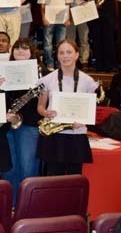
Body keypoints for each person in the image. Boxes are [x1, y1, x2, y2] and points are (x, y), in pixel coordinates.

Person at [36, 39, 97, 175]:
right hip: (54, 135)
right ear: (57, 56)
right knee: (53, 178)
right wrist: (45, 113)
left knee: (74, 178)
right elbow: (40, 106)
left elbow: (91, 110)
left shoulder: (88, 81)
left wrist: (84, 120)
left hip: (77, 135)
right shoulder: (47, 79)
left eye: (69, 52)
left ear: (76, 55)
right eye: (61, 53)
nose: (65, 56)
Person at [1, 38, 44, 200]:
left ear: (31, 52)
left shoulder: (41, 74)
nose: (20, 51)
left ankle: (29, 204)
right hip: (7, 125)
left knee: (28, 166)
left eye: (25, 48)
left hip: (29, 125)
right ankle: (11, 205)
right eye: (17, 48)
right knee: (9, 168)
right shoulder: (3, 72)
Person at [77, 0, 121, 72]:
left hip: (108, 18)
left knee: (109, 41)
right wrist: (89, 4)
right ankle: (99, 66)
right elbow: (78, 1)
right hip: (94, 18)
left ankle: (111, 65)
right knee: (97, 41)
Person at [38, 0, 72, 70]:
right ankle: (50, 64)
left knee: (61, 43)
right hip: (49, 19)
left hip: (62, 20)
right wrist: (43, 17)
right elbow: (42, 5)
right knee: (47, 43)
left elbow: (68, 4)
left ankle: (60, 64)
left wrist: (68, 18)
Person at [64, 0, 91, 68]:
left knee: (84, 38)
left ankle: (84, 60)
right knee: (70, 39)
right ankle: (71, 60)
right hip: (69, 12)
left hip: (82, 11)